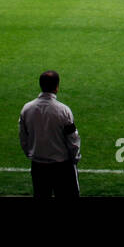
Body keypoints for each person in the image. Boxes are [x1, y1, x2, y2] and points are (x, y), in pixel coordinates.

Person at [18, 69, 81, 197]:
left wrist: (32, 154)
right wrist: (75, 158)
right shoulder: (63, 111)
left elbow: (23, 137)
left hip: (38, 165)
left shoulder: (27, 109)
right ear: (57, 87)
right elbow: (73, 139)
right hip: (62, 166)